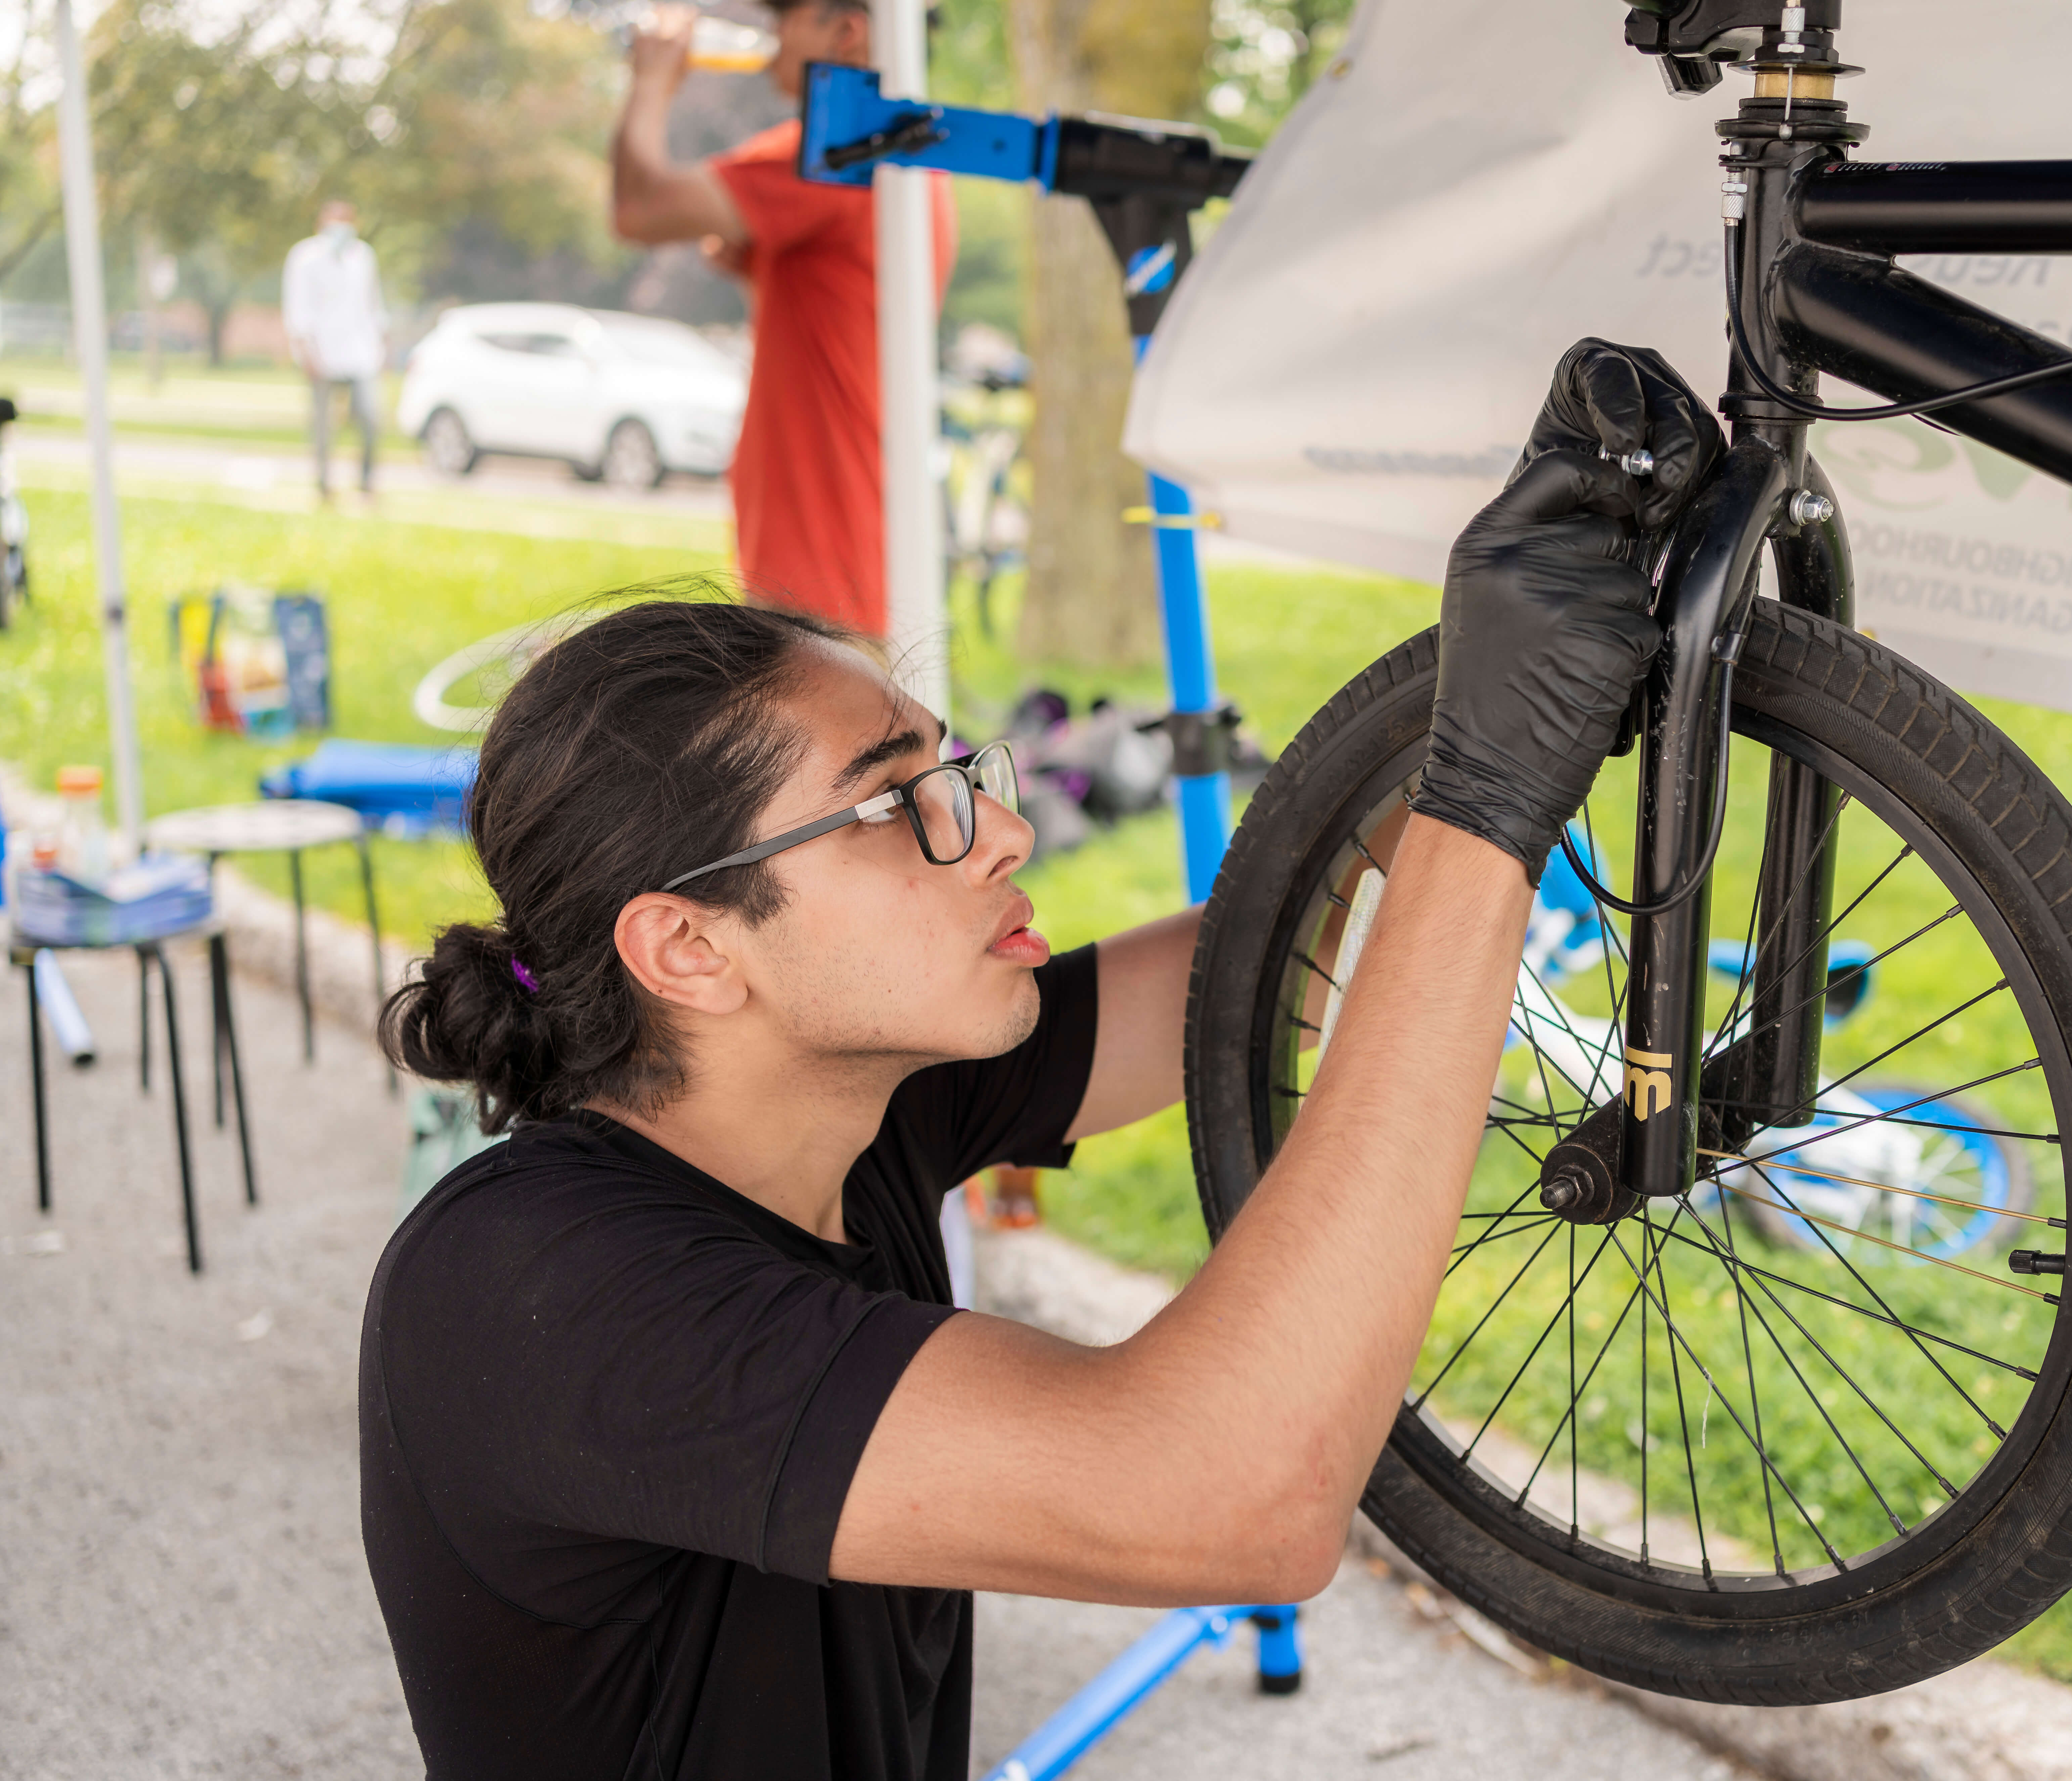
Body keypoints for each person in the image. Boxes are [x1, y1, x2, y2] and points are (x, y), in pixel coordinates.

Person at [357, 339, 1716, 1780]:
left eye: (962, 772)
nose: (998, 832)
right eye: (897, 808)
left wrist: (1490, 675)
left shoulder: (845, 1107)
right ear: (691, 948)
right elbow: (1236, 1496)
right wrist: (1489, 797)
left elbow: (1249, 981)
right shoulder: (541, 1293)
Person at [611, 0, 959, 635]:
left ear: (846, 32)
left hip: (825, 568)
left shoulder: (843, 155)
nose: (769, 34)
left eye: (785, 16)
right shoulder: (900, 166)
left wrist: (653, 80)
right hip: (848, 550)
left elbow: (640, 207)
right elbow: (729, 247)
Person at [281, 200, 386, 501]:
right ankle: (324, 484)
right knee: (324, 426)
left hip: (361, 353)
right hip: (322, 353)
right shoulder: (305, 257)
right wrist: (304, 351)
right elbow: (298, 308)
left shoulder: (364, 256)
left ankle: (367, 482)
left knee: (369, 418)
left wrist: (382, 344)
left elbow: (373, 304)